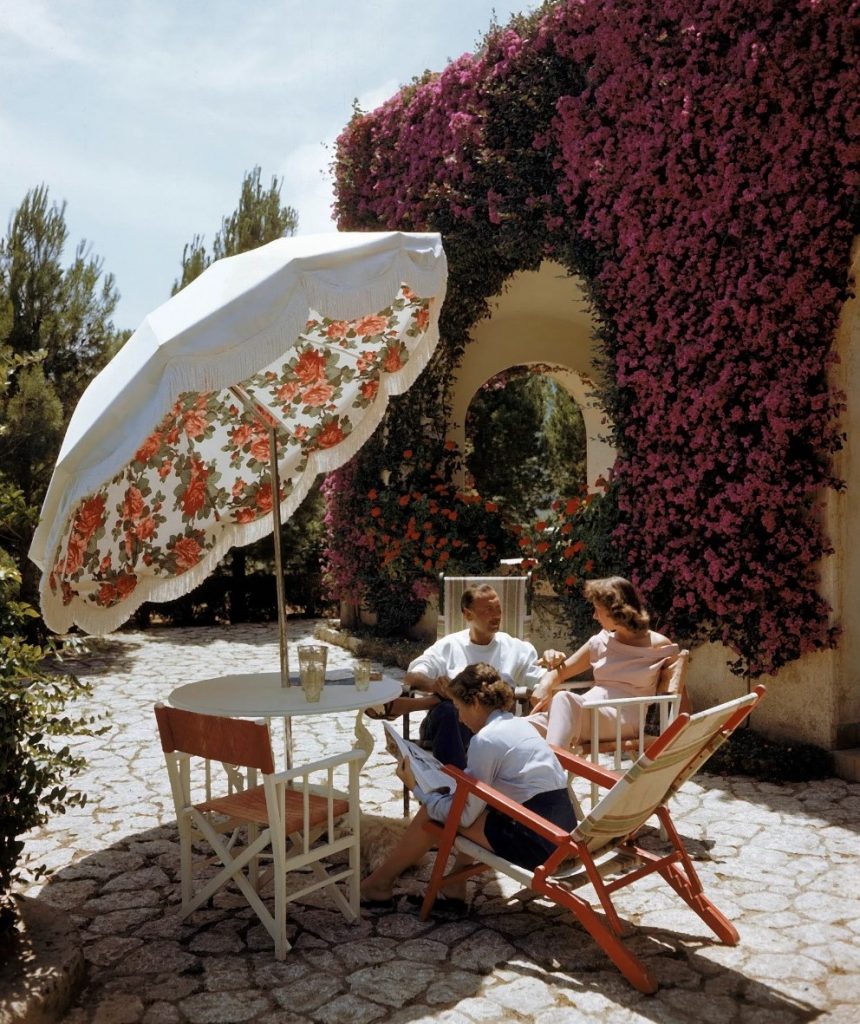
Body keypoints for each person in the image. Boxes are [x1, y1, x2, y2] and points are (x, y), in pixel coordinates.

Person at [360, 663, 576, 912]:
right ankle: (451, 887)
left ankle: (379, 884)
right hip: (560, 831)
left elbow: (463, 816)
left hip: (538, 845)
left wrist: (417, 788)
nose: (459, 718)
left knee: (435, 813)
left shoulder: (486, 740)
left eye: (459, 708)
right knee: (467, 804)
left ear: (474, 702)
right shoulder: (519, 725)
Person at [386, 583, 549, 767]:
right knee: (451, 709)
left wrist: (554, 664)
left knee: (469, 701)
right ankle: (457, 785)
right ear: (467, 614)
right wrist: (434, 686)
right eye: (488, 610)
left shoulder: (516, 649)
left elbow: (542, 679)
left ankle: (457, 787)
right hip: (445, 728)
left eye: (498, 608)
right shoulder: (449, 646)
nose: (496, 615)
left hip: (493, 729)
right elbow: (413, 676)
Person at [528, 576, 679, 750]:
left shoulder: (660, 646)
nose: (594, 616)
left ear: (616, 612)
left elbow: (678, 692)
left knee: (563, 698)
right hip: (586, 711)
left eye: (597, 610)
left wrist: (684, 736)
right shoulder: (601, 641)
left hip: (624, 719)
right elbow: (562, 671)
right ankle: (539, 770)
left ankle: (551, 768)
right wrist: (545, 685)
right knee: (518, 727)